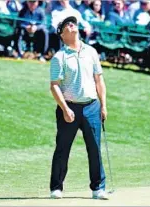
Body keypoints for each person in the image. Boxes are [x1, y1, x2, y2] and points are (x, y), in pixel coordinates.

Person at [49, 16, 108, 200]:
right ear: (61, 34)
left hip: (91, 107)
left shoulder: (91, 51)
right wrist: (65, 109)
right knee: (63, 148)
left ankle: (98, 188)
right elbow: (54, 86)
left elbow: (99, 80)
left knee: (94, 149)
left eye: (73, 22)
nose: (72, 24)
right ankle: (56, 187)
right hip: (69, 108)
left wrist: (103, 105)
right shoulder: (59, 57)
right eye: (67, 24)